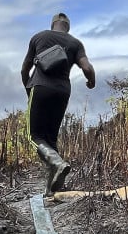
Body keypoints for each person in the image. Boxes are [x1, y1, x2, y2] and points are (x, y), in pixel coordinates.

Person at [21, 12, 96, 195]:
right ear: (67, 27)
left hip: (40, 87)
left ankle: (57, 163)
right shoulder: (75, 44)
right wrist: (91, 81)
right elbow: (87, 67)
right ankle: (50, 191)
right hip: (62, 91)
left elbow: (25, 68)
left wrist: (28, 88)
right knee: (51, 140)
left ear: (53, 24)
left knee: (34, 136)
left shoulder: (39, 37)